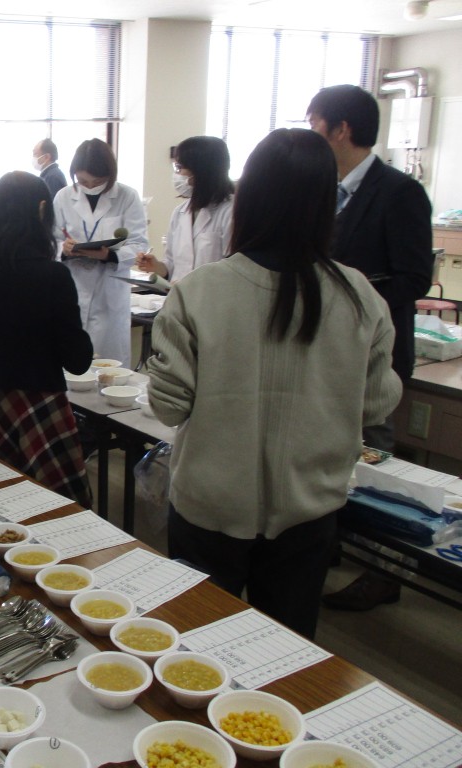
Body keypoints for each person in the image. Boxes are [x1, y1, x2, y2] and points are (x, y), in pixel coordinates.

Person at [146, 128, 402, 639]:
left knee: (199, 648)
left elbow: (169, 406)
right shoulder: (358, 295)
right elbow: (376, 403)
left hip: (210, 506)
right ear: (325, 203)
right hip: (309, 512)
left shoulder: (200, 292)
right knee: (282, 657)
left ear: (249, 199)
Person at [306, 84, 434, 611]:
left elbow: (414, 278)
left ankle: (383, 574)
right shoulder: (322, 190)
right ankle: (331, 542)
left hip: (370, 356)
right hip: (321, 355)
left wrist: (354, 302)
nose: (310, 134)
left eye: (314, 124)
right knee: (329, 453)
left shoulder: (398, 192)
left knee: (372, 457)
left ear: (341, 130)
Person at [0, 171, 93, 506]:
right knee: (50, 509)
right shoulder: (52, 276)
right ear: (42, 209)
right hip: (38, 404)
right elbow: (77, 361)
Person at [53, 138, 149, 366]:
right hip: (73, 288)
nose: (89, 186)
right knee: (72, 370)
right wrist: (63, 250)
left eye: (98, 181)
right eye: (83, 180)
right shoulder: (64, 197)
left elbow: (138, 243)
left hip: (110, 295)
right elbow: (51, 240)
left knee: (110, 370)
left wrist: (109, 255)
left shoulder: (127, 196)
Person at [135, 136, 234, 283]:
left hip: (214, 300)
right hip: (180, 298)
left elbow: (233, 269)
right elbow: (172, 265)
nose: (177, 174)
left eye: (179, 168)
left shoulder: (230, 211)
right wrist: (157, 267)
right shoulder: (180, 212)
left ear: (201, 170)